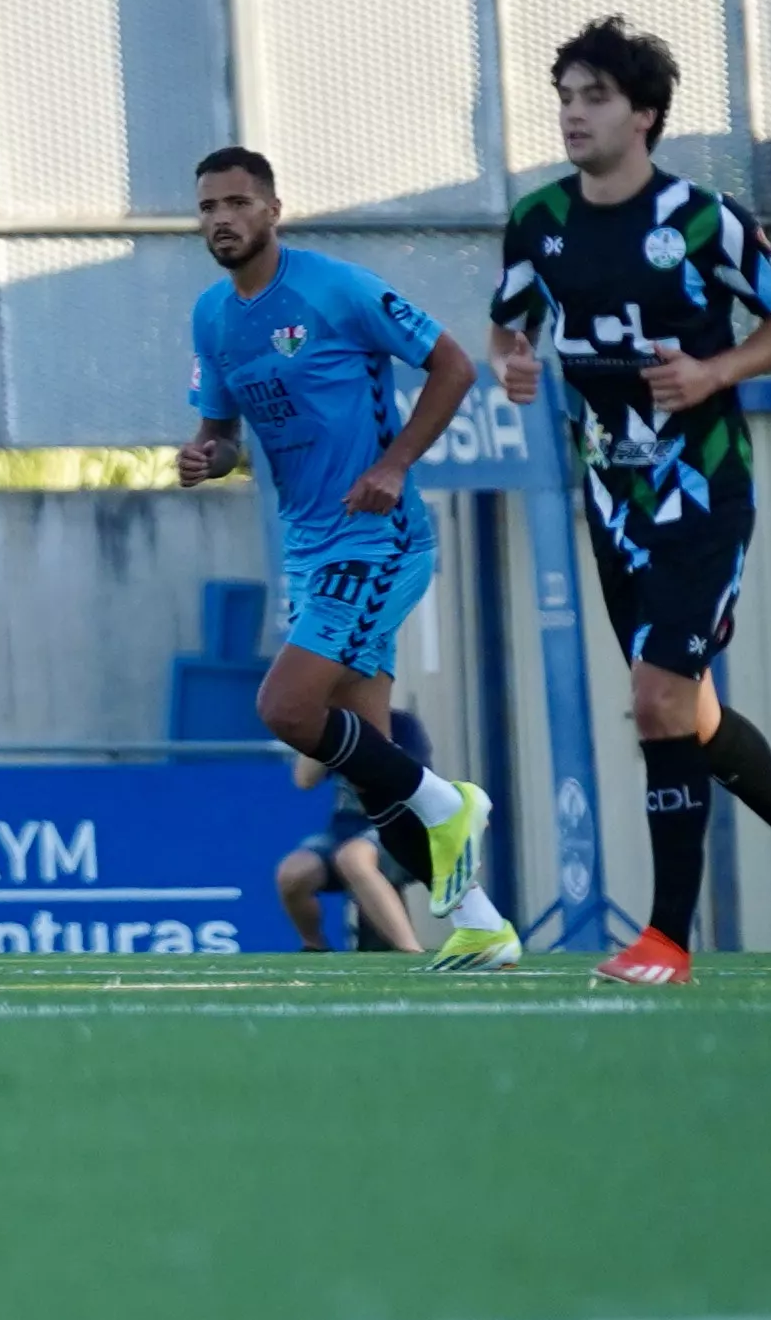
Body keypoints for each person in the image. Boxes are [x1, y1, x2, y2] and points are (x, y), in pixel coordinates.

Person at [488, 16, 771, 983]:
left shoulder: (703, 218)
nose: (574, 114)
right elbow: (509, 322)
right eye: (566, 97)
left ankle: (665, 938)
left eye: (596, 97)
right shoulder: (538, 221)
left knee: (655, 700)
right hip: (610, 501)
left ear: (646, 114)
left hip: (702, 491)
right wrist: (514, 363)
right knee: (682, 711)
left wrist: (714, 372)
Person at [177, 145, 524, 971]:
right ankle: (481, 922)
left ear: (272, 210)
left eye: (236, 202)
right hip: (311, 548)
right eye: (206, 208)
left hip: (380, 539)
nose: (221, 219)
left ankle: (449, 802)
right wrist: (206, 457)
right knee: (372, 769)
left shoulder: (335, 288)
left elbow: (452, 364)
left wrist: (395, 463)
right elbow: (222, 435)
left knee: (286, 709)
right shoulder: (213, 318)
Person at [277, 705, 438, 955]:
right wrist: (320, 731)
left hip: (398, 825)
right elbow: (304, 780)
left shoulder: (401, 724)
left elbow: (410, 780)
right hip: (344, 828)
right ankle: (315, 947)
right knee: (293, 873)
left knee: (354, 858)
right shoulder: (335, 728)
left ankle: (411, 950)